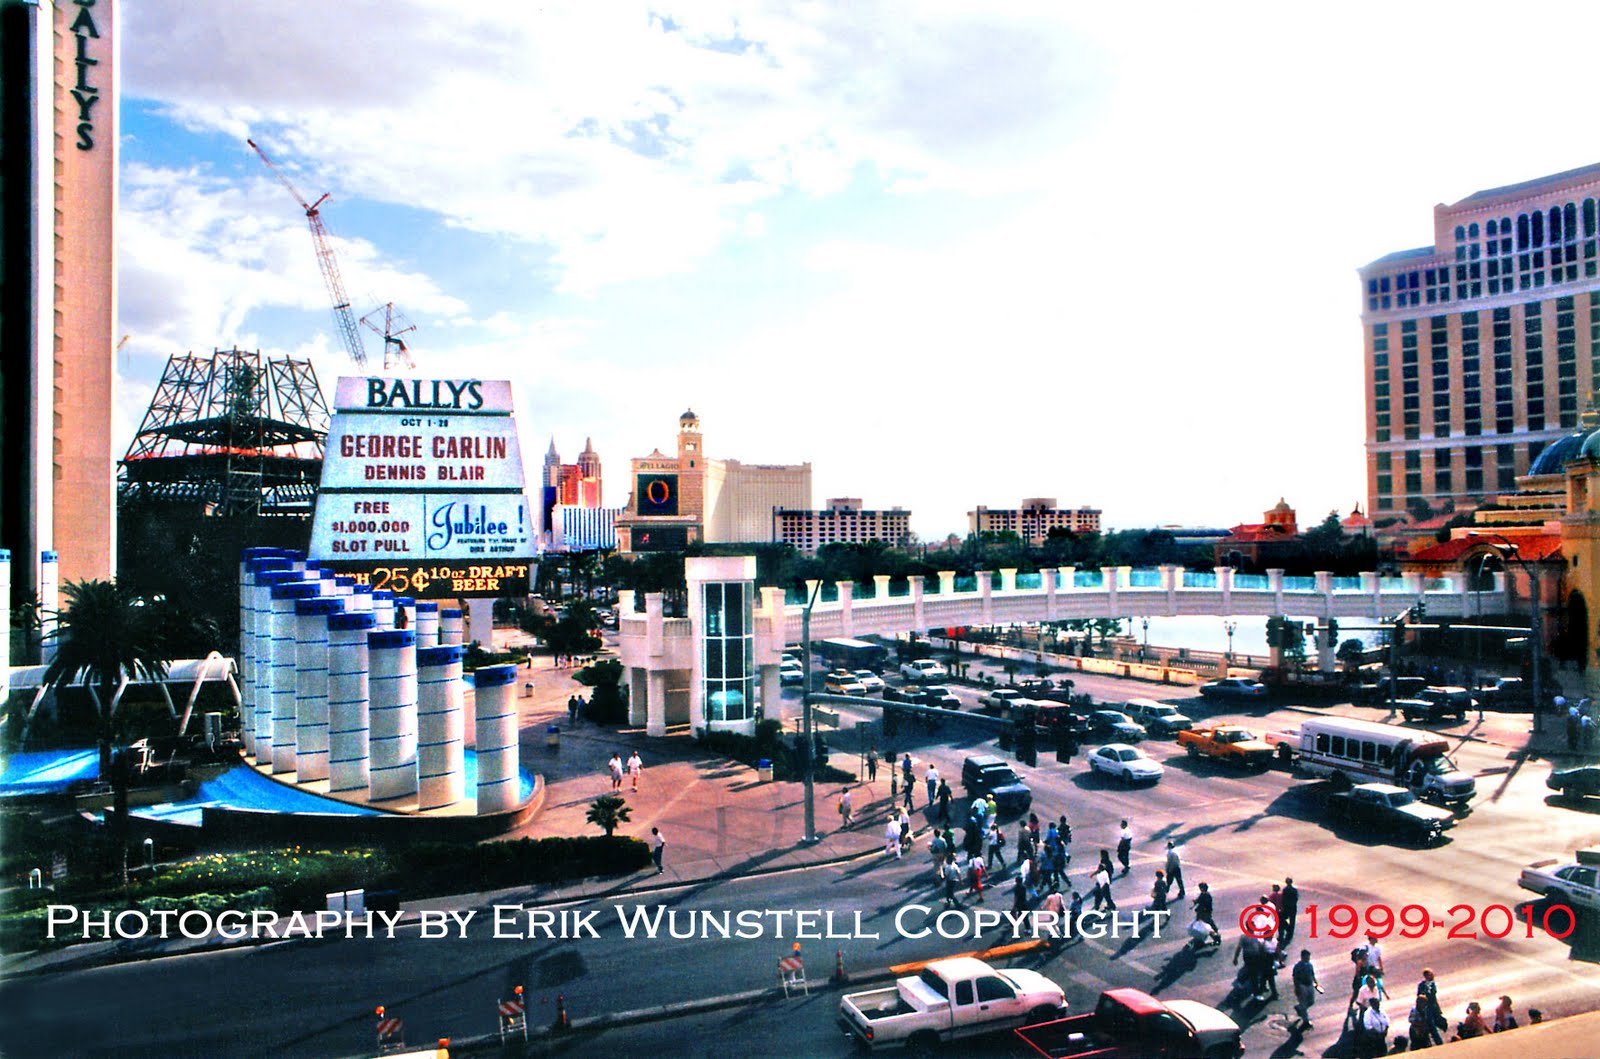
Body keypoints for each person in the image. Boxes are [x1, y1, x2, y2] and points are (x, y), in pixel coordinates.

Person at [1291, 949, 1322, 1030]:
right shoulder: (1297, 966)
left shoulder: (1309, 965)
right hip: (1302, 986)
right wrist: (1297, 988)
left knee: (1311, 1001)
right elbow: (1295, 978)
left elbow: (1312, 974)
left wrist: (1316, 983)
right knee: (1304, 1004)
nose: (1308, 958)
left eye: (1308, 957)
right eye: (1306, 957)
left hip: (1310, 985)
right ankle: (1306, 1021)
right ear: (1302, 957)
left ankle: (1299, 1008)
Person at [1415, 969, 1444, 1047]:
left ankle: (1437, 1041)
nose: (1433, 976)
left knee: (1440, 1023)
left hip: (1433, 1007)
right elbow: (1420, 997)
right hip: (1427, 1008)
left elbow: (1434, 997)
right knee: (1431, 1025)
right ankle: (1438, 1042)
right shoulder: (1423, 985)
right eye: (1431, 974)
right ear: (1426, 976)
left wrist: (1438, 1008)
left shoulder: (1432, 984)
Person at [1280, 877, 1300, 944]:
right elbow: (1297, 898)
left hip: (1286, 907)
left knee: (1282, 919)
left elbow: (1283, 899)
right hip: (1293, 907)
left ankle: (1288, 929)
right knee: (1292, 920)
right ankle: (1291, 932)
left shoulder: (1285, 890)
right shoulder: (1294, 890)